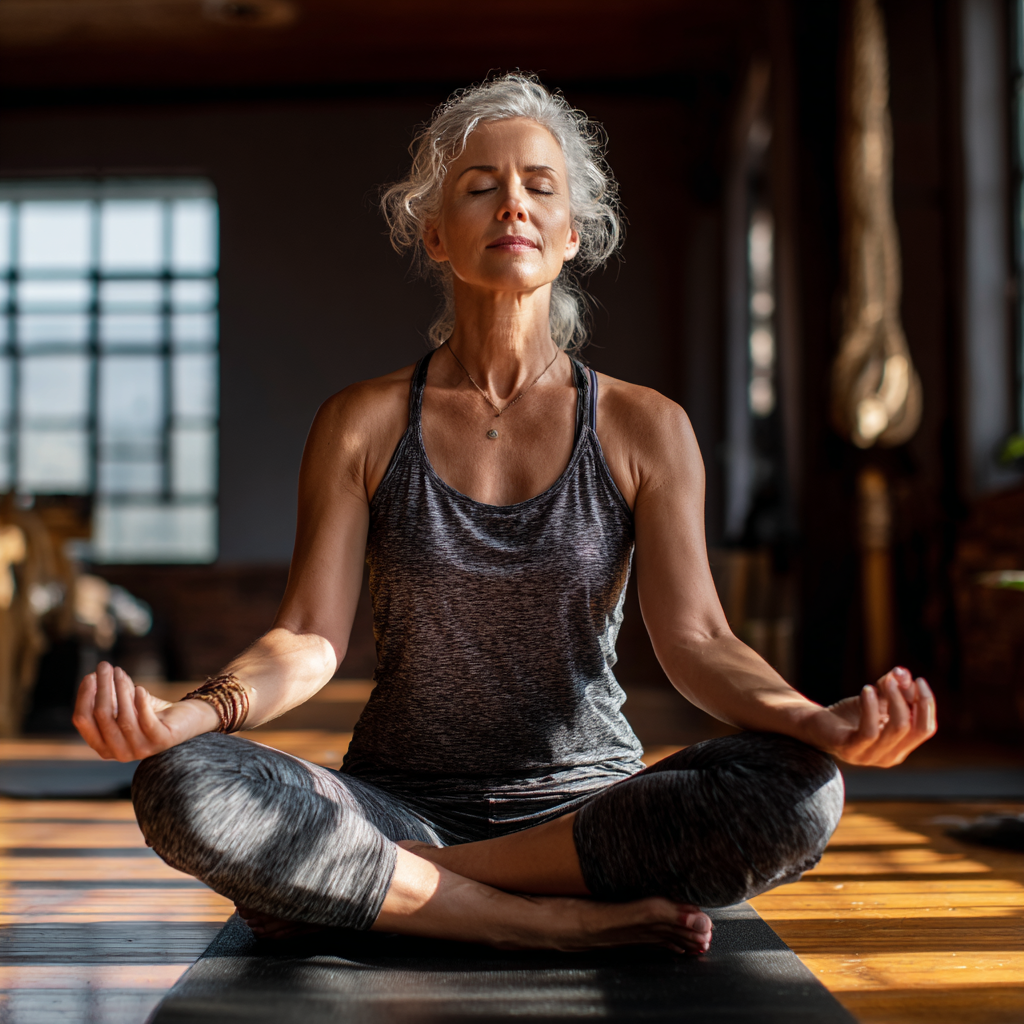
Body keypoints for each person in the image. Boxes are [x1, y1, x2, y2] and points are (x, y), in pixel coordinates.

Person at [72, 74, 936, 956]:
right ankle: (539, 923)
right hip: (397, 801)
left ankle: (399, 887)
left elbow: (700, 642)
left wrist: (813, 721)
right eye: (480, 186)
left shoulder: (646, 427)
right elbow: (306, 638)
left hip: (588, 812)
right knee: (184, 784)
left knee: (801, 788)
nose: (512, 203)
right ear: (436, 235)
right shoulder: (362, 423)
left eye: (539, 187)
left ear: (570, 238)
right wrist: (190, 715)